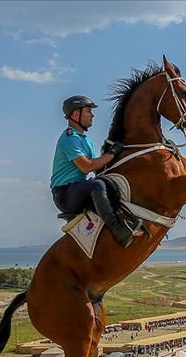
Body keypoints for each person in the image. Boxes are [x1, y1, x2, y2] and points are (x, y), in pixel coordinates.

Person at [50, 95, 142, 247]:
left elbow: (98, 167)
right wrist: (111, 154)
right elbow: (87, 166)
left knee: (108, 183)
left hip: (78, 189)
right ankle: (118, 231)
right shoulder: (69, 138)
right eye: (88, 111)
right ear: (76, 114)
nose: (92, 115)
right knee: (97, 185)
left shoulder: (85, 140)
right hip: (64, 194)